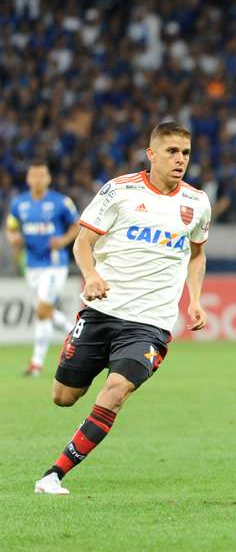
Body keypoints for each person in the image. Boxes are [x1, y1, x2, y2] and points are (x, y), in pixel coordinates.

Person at [33, 122, 211, 495]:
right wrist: (91, 276)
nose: (180, 160)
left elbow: (197, 254)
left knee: (116, 390)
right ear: (152, 154)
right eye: (172, 152)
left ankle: (53, 475)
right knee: (63, 396)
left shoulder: (196, 202)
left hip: (150, 323)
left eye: (186, 153)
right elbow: (82, 244)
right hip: (102, 311)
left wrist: (194, 299)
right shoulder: (119, 191)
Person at [4, 161, 80, 376]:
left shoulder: (61, 202)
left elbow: (77, 225)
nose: (37, 179)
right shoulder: (19, 203)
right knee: (44, 313)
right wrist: (14, 238)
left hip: (54, 265)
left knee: (42, 311)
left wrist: (64, 240)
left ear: (48, 179)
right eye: (34, 175)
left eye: (41, 175)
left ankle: (70, 341)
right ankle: (42, 360)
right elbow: (11, 228)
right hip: (32, 265)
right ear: (28, 179)